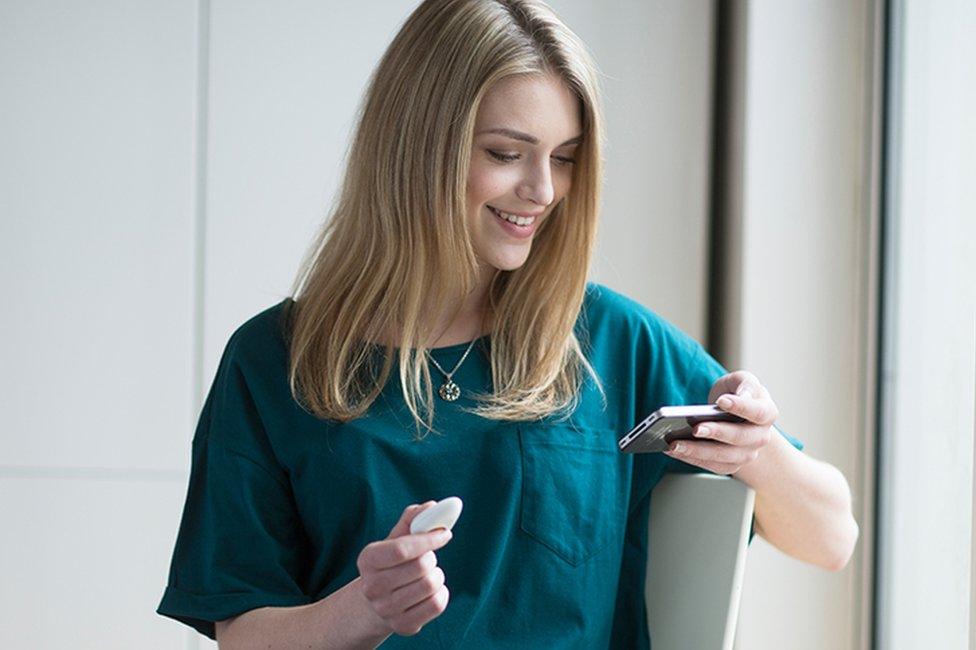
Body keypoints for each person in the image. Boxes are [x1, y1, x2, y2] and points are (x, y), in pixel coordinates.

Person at [156, 0, 859, 647]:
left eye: (565, 158)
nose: (543, 191)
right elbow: (243, 635)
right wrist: (365, 607)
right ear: (416, 146)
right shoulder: (273, 361)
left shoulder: (608, 342)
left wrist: (756, 450)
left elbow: (833, 536)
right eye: (505, 153)